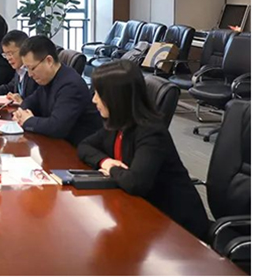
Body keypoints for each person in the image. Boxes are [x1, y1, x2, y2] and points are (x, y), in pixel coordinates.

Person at [78, 60, 209, 239]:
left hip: (175, 227)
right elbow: (84, 146)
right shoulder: (118, 123)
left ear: (116, 99)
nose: (94, 100)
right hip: (142, 211)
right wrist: (105, 161)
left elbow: (135, 183)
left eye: (99, 94)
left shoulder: (151, 132)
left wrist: (112, 170)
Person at [12, 36, 103, 145]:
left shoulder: (70, 85)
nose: (30, 74)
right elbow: (30, 101)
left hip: (76, 148)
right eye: (26, 68)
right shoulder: (48, 78)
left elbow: (56, 127)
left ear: (49, 61)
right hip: (57, 144)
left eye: (32, 68)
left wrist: (28, 121)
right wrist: (21, 113)